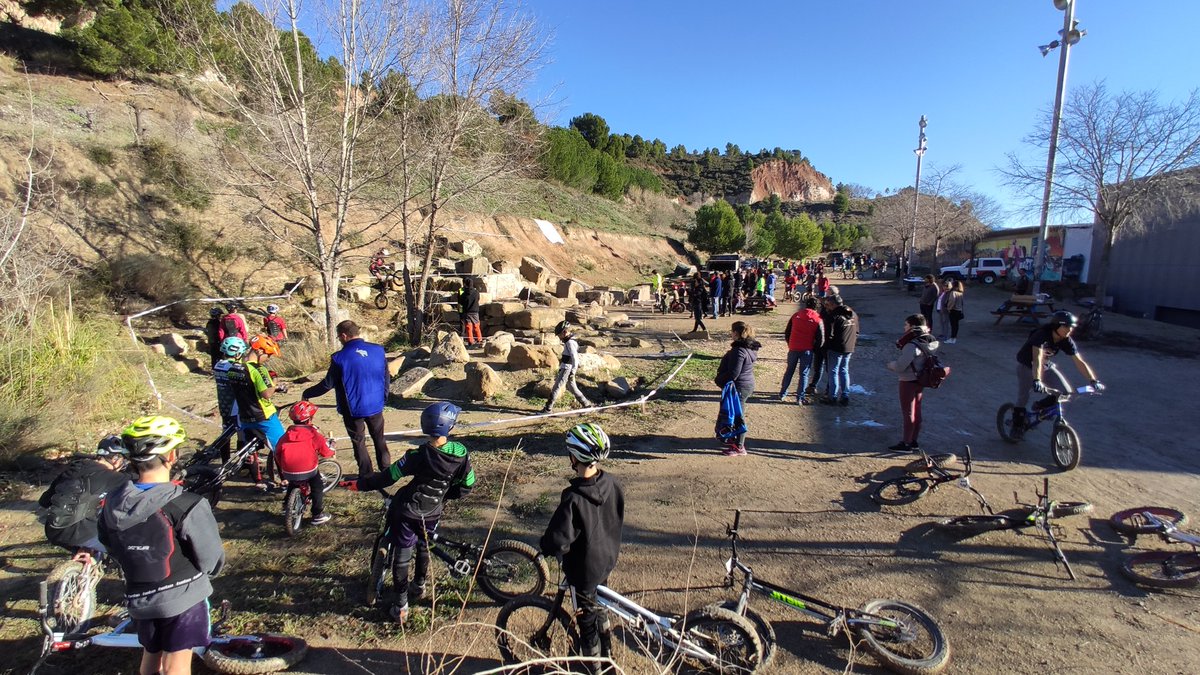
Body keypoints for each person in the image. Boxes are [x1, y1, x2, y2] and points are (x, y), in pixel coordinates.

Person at [99, 416, 224, 675]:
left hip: (140, 597)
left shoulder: (112, 501)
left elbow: (107, 541)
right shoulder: (187, 503)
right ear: (171, 455)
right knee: (176, 666)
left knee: (151, 655)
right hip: (183, 598)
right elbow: (211, 559)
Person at [342, 402, 474, 623]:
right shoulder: (461, 454)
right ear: (449, 428)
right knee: (425, 545)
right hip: (433, 510)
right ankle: (420, 584)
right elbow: (468, 484)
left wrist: (362, 484)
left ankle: (401, 605)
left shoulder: (416, 455)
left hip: (407, 511)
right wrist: (444, 495)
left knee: (403, 555)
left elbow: (389, 476)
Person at [539, 423, 624, 675]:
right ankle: (607, 649)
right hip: (607, 558)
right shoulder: (612, 483)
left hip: (583, 570)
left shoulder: (573, 498)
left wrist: (547, 547)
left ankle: (594, 667)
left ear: (573, 457)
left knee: (585, 618)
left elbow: (559, 539)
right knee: (601, 605)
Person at [303, 320, 391, 477]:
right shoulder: (378, 350)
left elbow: (327, 384)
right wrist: (384, 396)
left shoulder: (339, 358)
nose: (339, 340)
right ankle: (386, 471)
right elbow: (386, 376)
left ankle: (366, 475)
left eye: (339, 337)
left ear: (344, 336)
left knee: (359, 442)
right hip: (375, 404)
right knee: (379, 439)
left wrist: (308, 393)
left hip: (352, 407)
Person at [1010, 311, 1104, 436]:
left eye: (1071, 327)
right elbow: (1037, 358)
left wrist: (1093, 380)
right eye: (1066, 326)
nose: (1069, 330)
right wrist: (1037, 380)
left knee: (1065, 392)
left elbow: (1079, 362)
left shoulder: (1066, 340)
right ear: (1056, 326)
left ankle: (1040, 407)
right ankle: (1016, 426)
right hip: (1027, 366)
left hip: (1045, 366)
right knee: (1024, 396)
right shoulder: (1041, 335)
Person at [38, 435, 130, 556]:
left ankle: (88, 558)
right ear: (116, 459)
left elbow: (44, 501)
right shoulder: (112, 477)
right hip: (80, 533)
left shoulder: (71, 470)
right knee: (126, 551)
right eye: (123, 460)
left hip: (53, 531)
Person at [274, 401, 335, 526]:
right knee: (317, 486)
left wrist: (282, 468)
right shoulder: (314, 434)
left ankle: (287, 505)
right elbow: (326, 453)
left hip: (288, 471)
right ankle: (317, 514)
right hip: (309, 470)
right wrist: (332, 448)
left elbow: (277, 452)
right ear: (309, 419)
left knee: (293, 483)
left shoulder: (286, 436)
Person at [886, 315, 939, 453]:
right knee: (917, 410)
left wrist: (891, 365)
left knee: (908, 412)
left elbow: (900, 366)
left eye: (906, 325)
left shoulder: (912, 344)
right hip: (922, 378)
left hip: (908, 380)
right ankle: (914, 441)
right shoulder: (930, 339)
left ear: (912, 326)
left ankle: (906, 443)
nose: (904, 328)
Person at [714, 321, 760, 456]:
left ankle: (739, 447)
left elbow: (734, 373)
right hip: (747, 384)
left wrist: (719, 380)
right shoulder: (749, 347)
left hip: (739, 386)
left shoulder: (739, 350)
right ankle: (733, 438)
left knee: (738, 416)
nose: (730, 334)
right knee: (735, 414)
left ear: (736, 333)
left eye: (731, 331)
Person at [542, 321, 593, 413]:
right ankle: (587, 405)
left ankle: (548, 408)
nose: (559, 337)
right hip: (566, 368)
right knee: (573, 388)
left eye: (559, 335)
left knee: (556, 387)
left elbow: (575, 358)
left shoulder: (570, 342)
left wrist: (573, 371)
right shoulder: (569, 341)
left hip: (567, 369)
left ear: (564, 332)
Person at [780, 297, 824, 404]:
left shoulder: (796, 315)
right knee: (804, 374)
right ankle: (800, 397)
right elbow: (821, 338)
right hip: (807, 349)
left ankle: (782, 393)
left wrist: (790, 343)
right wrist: (815, 349)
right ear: (816, 307)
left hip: (794, 347)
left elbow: (787, 332)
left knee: (789, 371)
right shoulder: (818, 319)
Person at [822, 295, 858, 406]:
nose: (827, 307)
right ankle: (845, 395)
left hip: (836, 347)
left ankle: (832, 396)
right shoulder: (853, 314)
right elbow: (857, 331)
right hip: (849, 346)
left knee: (833, 371)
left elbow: (828, 333)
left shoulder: (834, 316)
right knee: (844, 370)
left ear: (833, 304)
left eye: (828, 304)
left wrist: (824, 346)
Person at [459, 281, 482, 346]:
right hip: (475, 311)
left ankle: (471, 341)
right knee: (476, 326)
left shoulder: (463, 293)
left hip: (467, 312)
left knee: (469, 327)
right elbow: (478, 299)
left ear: (465, 285)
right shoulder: (476, 292)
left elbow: (461, 302)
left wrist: (460, 312)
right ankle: (479, 339)